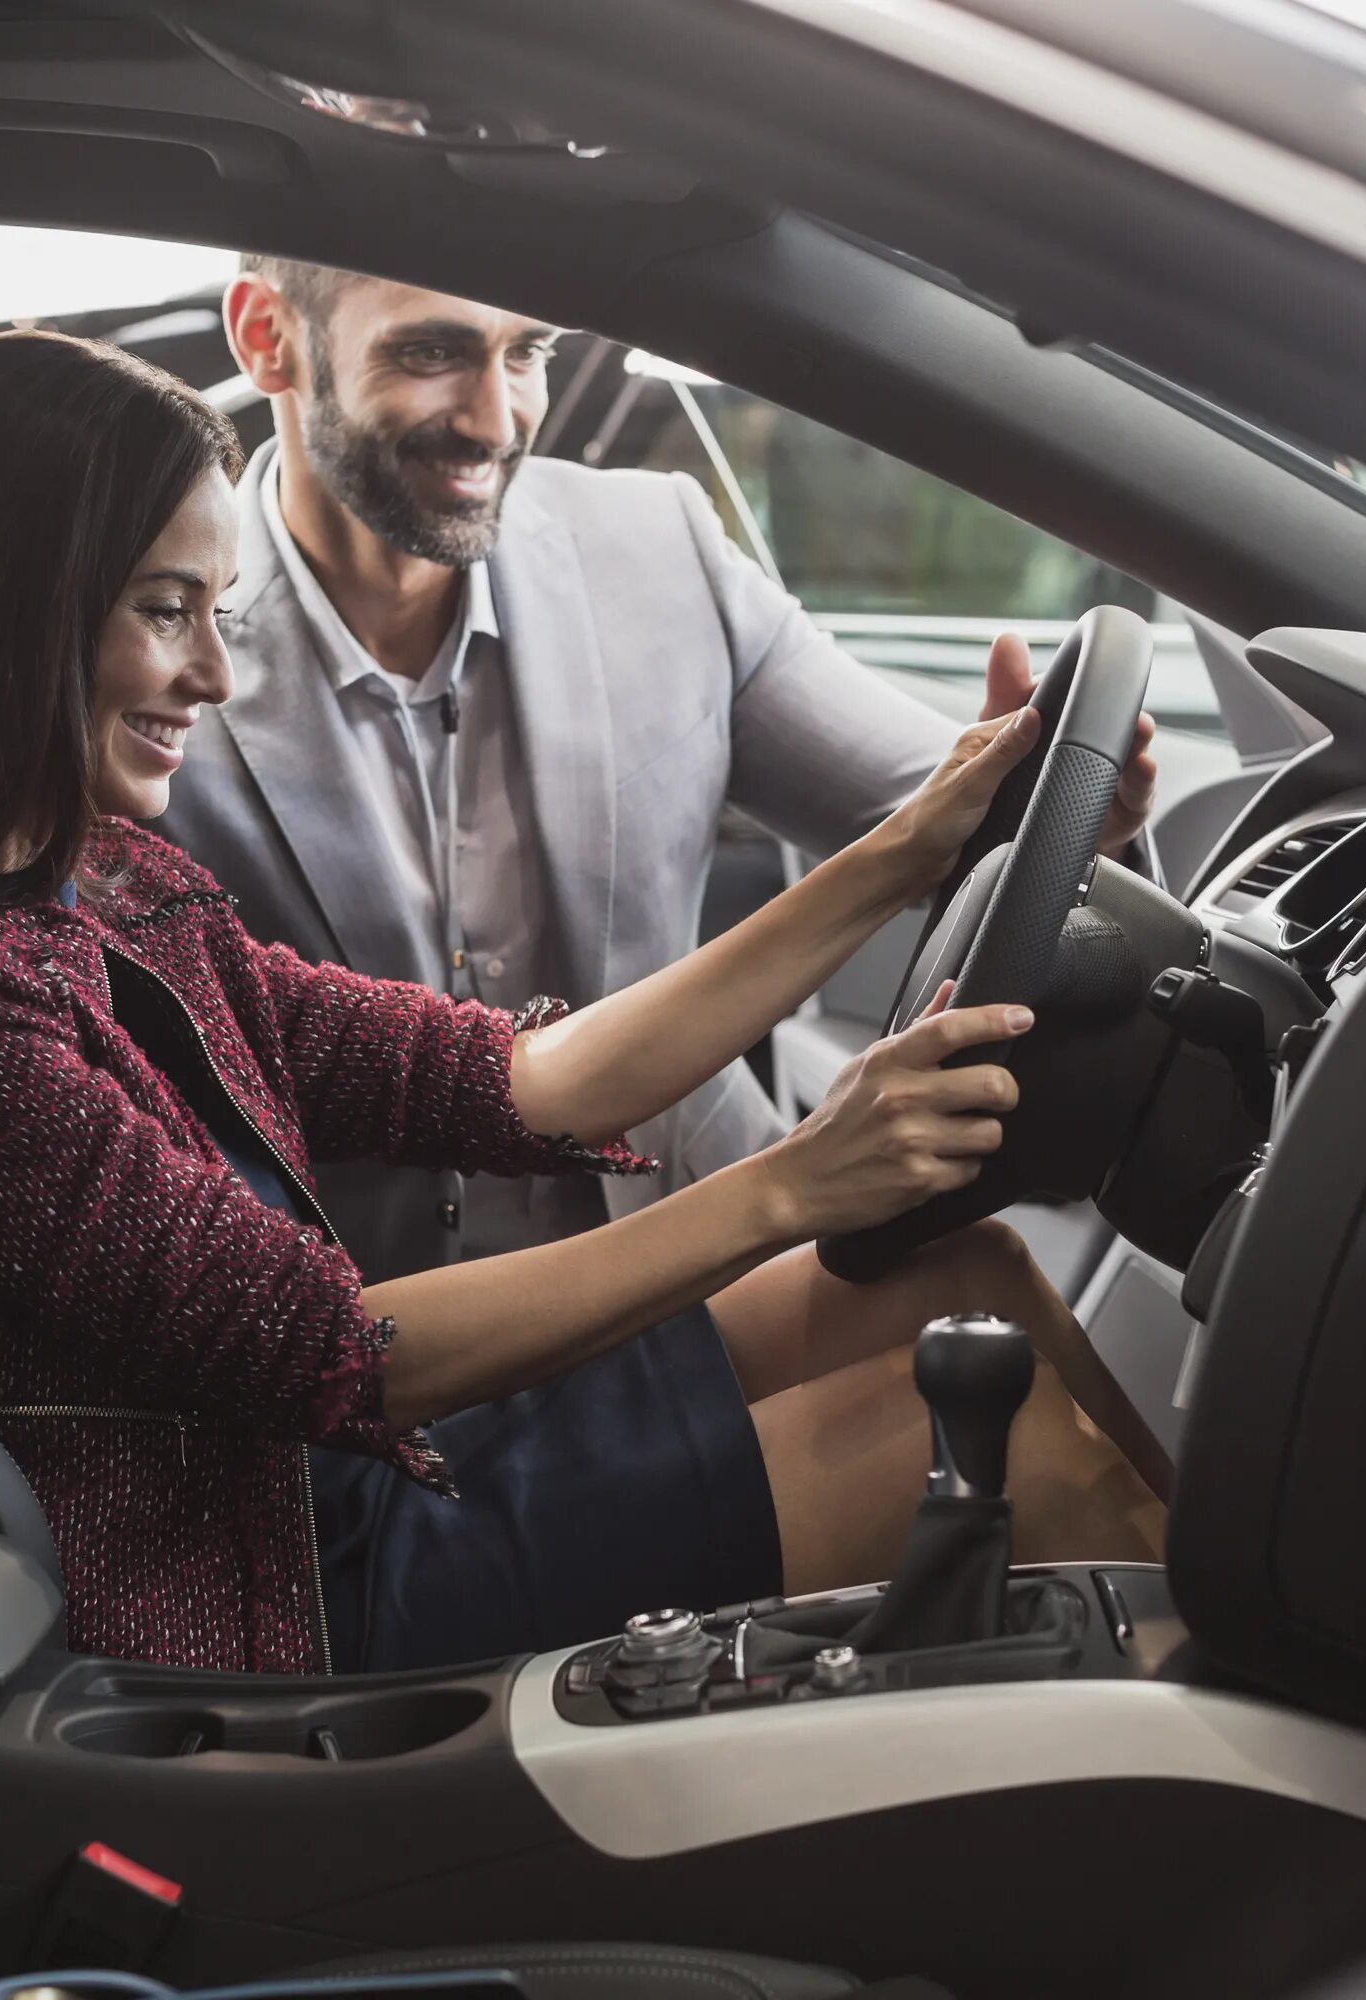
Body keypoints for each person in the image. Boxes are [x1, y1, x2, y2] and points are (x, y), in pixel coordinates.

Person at [0, 330, 1167, 1675]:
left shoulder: (102, 882)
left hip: (355, 1477)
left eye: (216, 610)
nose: (210, 670)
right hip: (280, 1585)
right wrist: (790, 1185)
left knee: (966, 1276)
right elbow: (335, 1350)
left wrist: (908, 849)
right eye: (165, 611)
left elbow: (519, 1081)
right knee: (1003, 1438)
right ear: (1, 615)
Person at [159, 258, 1176, 1667]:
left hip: (709, 1248)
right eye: (435, 355)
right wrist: (801, 1175)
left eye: (526, 354)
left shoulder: (657, 547)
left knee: (984, 1277)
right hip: (423, 1367)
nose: (500, 415)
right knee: (1022, 1463)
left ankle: (1251, 1649)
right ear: (270, 340)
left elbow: (926, 806)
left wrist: (1050, 805)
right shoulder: (166, 649)